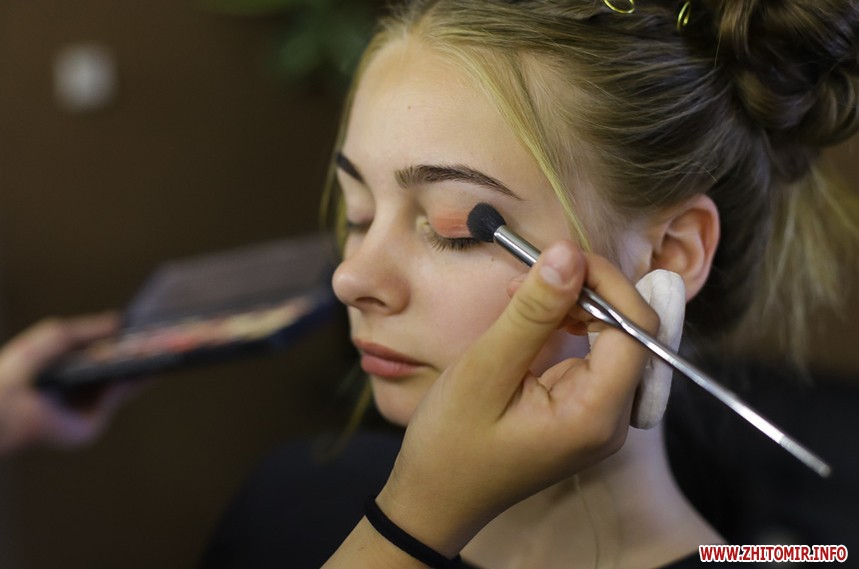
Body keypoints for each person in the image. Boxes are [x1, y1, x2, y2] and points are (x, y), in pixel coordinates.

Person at [4, 0, 859, 567]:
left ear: (669, 253)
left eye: (453, 226)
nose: (350, 276)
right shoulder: (285, 502)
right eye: (356, 211)